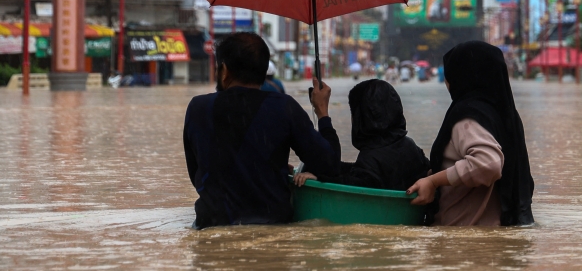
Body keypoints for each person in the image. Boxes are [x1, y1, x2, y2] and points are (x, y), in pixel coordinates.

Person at [183, 32, 341, 228]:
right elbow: (330, 165)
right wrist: (322, 113)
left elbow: (198, 173)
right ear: (264, 69)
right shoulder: (284, 107)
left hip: (211, 226)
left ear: (224, 71)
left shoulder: (198, 108)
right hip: (272, 228)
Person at [407, 41, 534, 226]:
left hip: (460, 242)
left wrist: (433, 181)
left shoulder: (467, 118)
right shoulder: (505, 117)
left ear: (463, 75)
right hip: (502, 239)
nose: (447, 82)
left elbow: (488, 164)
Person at [296, 79, 429, 191]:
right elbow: (359, 172)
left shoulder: (372, 157)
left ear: (362, 117)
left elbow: (356, 185)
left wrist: (320, 179)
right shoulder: (411, 147)